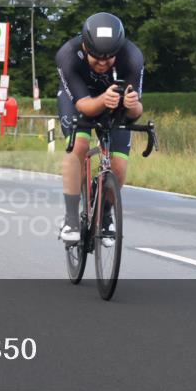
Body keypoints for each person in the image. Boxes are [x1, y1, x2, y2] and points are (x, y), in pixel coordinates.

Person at [55, 12, 144, 244]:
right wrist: (104, 99)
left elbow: (136, 112)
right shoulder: (68, 54)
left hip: (113, 103)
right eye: (96, 57)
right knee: (79, 145)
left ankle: (104, 213)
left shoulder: (132, 56)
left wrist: (132, 105)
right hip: (78, 101)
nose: (103, 63)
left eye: (109, 57)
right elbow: (84, 106)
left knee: (119, 165)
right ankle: (71, 218)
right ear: (85, 47)